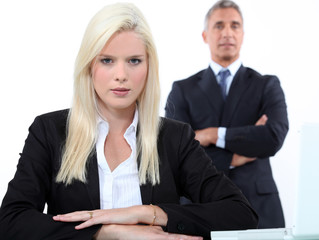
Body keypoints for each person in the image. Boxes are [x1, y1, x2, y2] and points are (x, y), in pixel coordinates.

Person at [0, 2, 258, 240]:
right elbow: (11, 222)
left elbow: (241, 214)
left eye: (134, 61)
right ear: (89, 65)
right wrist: (107, 231)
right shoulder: (49, 131)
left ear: (149, 67)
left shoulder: (173, 138)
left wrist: (148, 213)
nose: (121, 75)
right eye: (107, 61)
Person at [165, 0, 288, 228]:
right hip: (201, 204)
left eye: (235, 25)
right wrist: (236, 156)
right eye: (219, 26)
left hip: (259, 204)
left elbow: (272, 137)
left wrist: (211, 135)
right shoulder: (182, 89)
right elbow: (175, 152)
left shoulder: (266, 85)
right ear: (205, 35)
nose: (227, 33)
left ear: (243, 34)